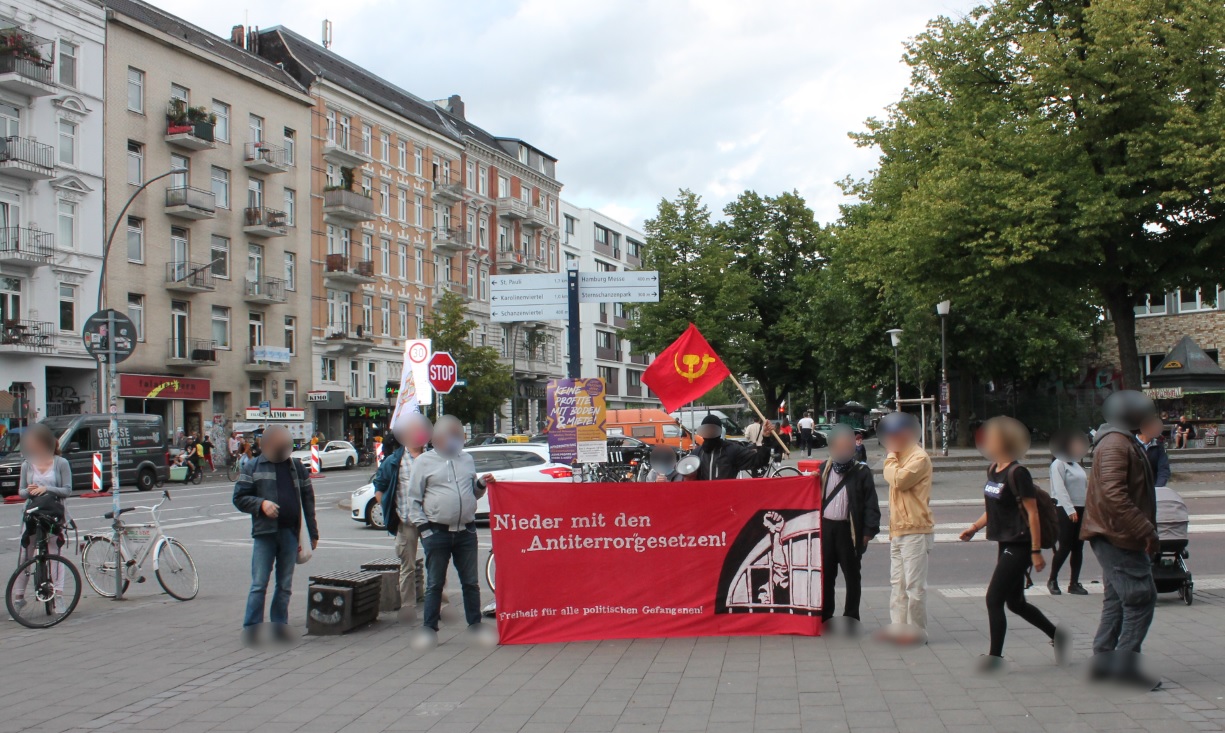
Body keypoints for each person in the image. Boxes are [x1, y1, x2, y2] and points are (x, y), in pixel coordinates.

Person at [959, 417, 1066, 669]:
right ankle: (1058, 636)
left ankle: (995, 657)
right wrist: (974, 528)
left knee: (993, 598)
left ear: (1003, 441)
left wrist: (1036, 551)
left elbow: (1033, 514)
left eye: (991, 438)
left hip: (1021, 544)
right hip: (1004, 541)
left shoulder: (1018, 473)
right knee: (1015, 602)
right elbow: (994, 508)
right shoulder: (994, 469)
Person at [1081, 390, 1161, 689]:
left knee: (1116, 598)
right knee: (1141, 597)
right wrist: (1146, 531)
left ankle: (1104, 660)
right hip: (1117, 534)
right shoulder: (1116, 443)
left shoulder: (1118, 439)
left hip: (1113, 532)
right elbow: (1115, 494)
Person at [407, 415, 491, 641]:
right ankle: (429, 628)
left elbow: (472, 492)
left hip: (466, 531)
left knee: (471, 583)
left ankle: (475, 624)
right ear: (437, 438)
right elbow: (413, 499)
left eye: (457, 435)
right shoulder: (424, 462)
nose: (454, 440)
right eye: (449, 435)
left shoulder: (466, 460)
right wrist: (425, 531)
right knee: (435, 583)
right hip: (437, 532)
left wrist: (481, 485)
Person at [232, 425, 318, 643]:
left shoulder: (296, 466)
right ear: (268, 444)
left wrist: (313, 532)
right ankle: (252, 628)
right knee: (259, 583)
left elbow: (308, 500)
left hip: (290, 532)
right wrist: (261, 504)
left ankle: (279, 625)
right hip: (265, 533)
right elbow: (239, 498)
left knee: (285, 584)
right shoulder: (253, 466)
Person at [372, 412, 433, 621]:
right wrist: (390, 508)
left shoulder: (433, 457)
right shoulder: (394, 461)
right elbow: (379, 487)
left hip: (431, 521)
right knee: (407, 565)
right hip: (406, 521)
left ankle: (439, 604)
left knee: (435, 563)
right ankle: (408, 606)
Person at [880, 411, 934, 641]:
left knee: (914, 587)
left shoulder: (918, 457)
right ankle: (898, 628)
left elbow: (899, 480)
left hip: (916, 529)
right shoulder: (900, 456)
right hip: (899, 529)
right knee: (898, 585)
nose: (892, 439)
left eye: (897, 434)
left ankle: (917, 631)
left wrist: (890, 457)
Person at [820, 425, 880, 623]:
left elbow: (871, 504)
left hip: (850, 530)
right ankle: (826, 615)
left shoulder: (861, 472)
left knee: (852, 576)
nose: (842, 450)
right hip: (827, 529)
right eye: (838, 446)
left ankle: (851, 616)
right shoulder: (823, 469)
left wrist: (868, 532)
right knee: (826, 575)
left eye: (846, 446)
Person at [12, 424, 72, 613]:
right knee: (25, 554)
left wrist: (47, 489)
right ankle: (18, 598)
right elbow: (20, 492)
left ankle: (59, 595)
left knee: (55, 553)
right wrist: (29, 491)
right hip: (32, 513)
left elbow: (67, 490)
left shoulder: (60, 463)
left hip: (53, 513)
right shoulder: (27, 464)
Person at [1047, 430, 1090, 595]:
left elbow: (1084, 488)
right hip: (1065, 509)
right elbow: (1059, 488)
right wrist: (1069, 509)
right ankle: (1052, 579)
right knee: (1064, 547)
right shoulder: (1058, 464)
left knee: (1078, 547)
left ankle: (1074, 583)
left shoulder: (1077, 465)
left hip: (1081, 508)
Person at [686, 414, 774, 480]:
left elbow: (759, 460)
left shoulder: (731, 450)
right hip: (704, 502)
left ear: (719, 431)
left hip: (727, 501)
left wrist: (766, 439)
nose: (710, 434)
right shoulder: (696, 454)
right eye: (707, 430)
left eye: (712, 430)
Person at [1138, 415, 1170, 488]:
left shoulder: (1158, 446)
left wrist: (1158, 487)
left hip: (1153, 488)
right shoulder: (1131, 444)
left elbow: (1164, 468)